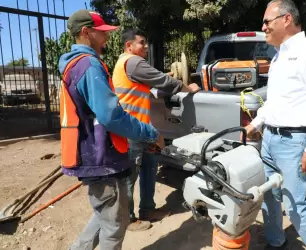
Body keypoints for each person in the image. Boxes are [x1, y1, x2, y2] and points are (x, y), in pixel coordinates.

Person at [58, 10, 163, 250]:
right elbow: (111, 116)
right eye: (101, 33)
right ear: (86, 33)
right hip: (101, 156)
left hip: (94, 153)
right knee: (115, 226)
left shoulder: (73, 64)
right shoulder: (89, 65)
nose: (106, 38)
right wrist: (150, 133)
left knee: (106, 214)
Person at [243, 1, 306, 249]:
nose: (263, 27)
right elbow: (277, 100)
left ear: (286, 20)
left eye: (266, 21)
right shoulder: (279, 55)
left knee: (295, 207)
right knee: (268, 195)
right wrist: (258, 122)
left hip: (293, 143)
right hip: (270, 139)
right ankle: (276, 241)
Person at [112, 29, 201, 231]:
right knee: (130, 177)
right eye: (141, 43)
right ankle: (128, 219)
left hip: (143, 129)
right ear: (129, 46)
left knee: (150, 167)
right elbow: (164, 81)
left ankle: (148, 209)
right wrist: (187, 88)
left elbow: (153, 89)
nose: (145, 47)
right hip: (132, 130)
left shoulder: (128, 66)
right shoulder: (132, 62)